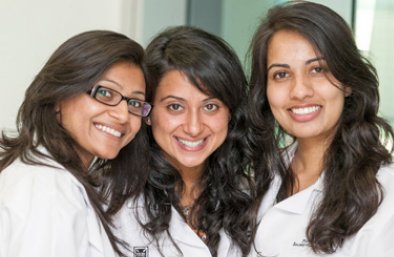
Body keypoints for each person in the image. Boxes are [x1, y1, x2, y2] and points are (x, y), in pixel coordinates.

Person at [247, 1, 394, 257]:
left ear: (348, 82)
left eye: (318, 69)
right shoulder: (260, 178)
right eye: (281, 75)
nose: (300, 91)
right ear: (266, 91)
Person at [0, 30, 152, 257]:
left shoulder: (57, 179)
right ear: (59, 96)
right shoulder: (48, 189)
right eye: (105, 93)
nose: (122, 115)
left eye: (135, 103)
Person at [113, 26, 254, 257]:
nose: (194, 127)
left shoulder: (251, 197)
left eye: (210, 106)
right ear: (147, 112)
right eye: (175, 107)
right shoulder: (109, 201)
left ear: (230, 113)